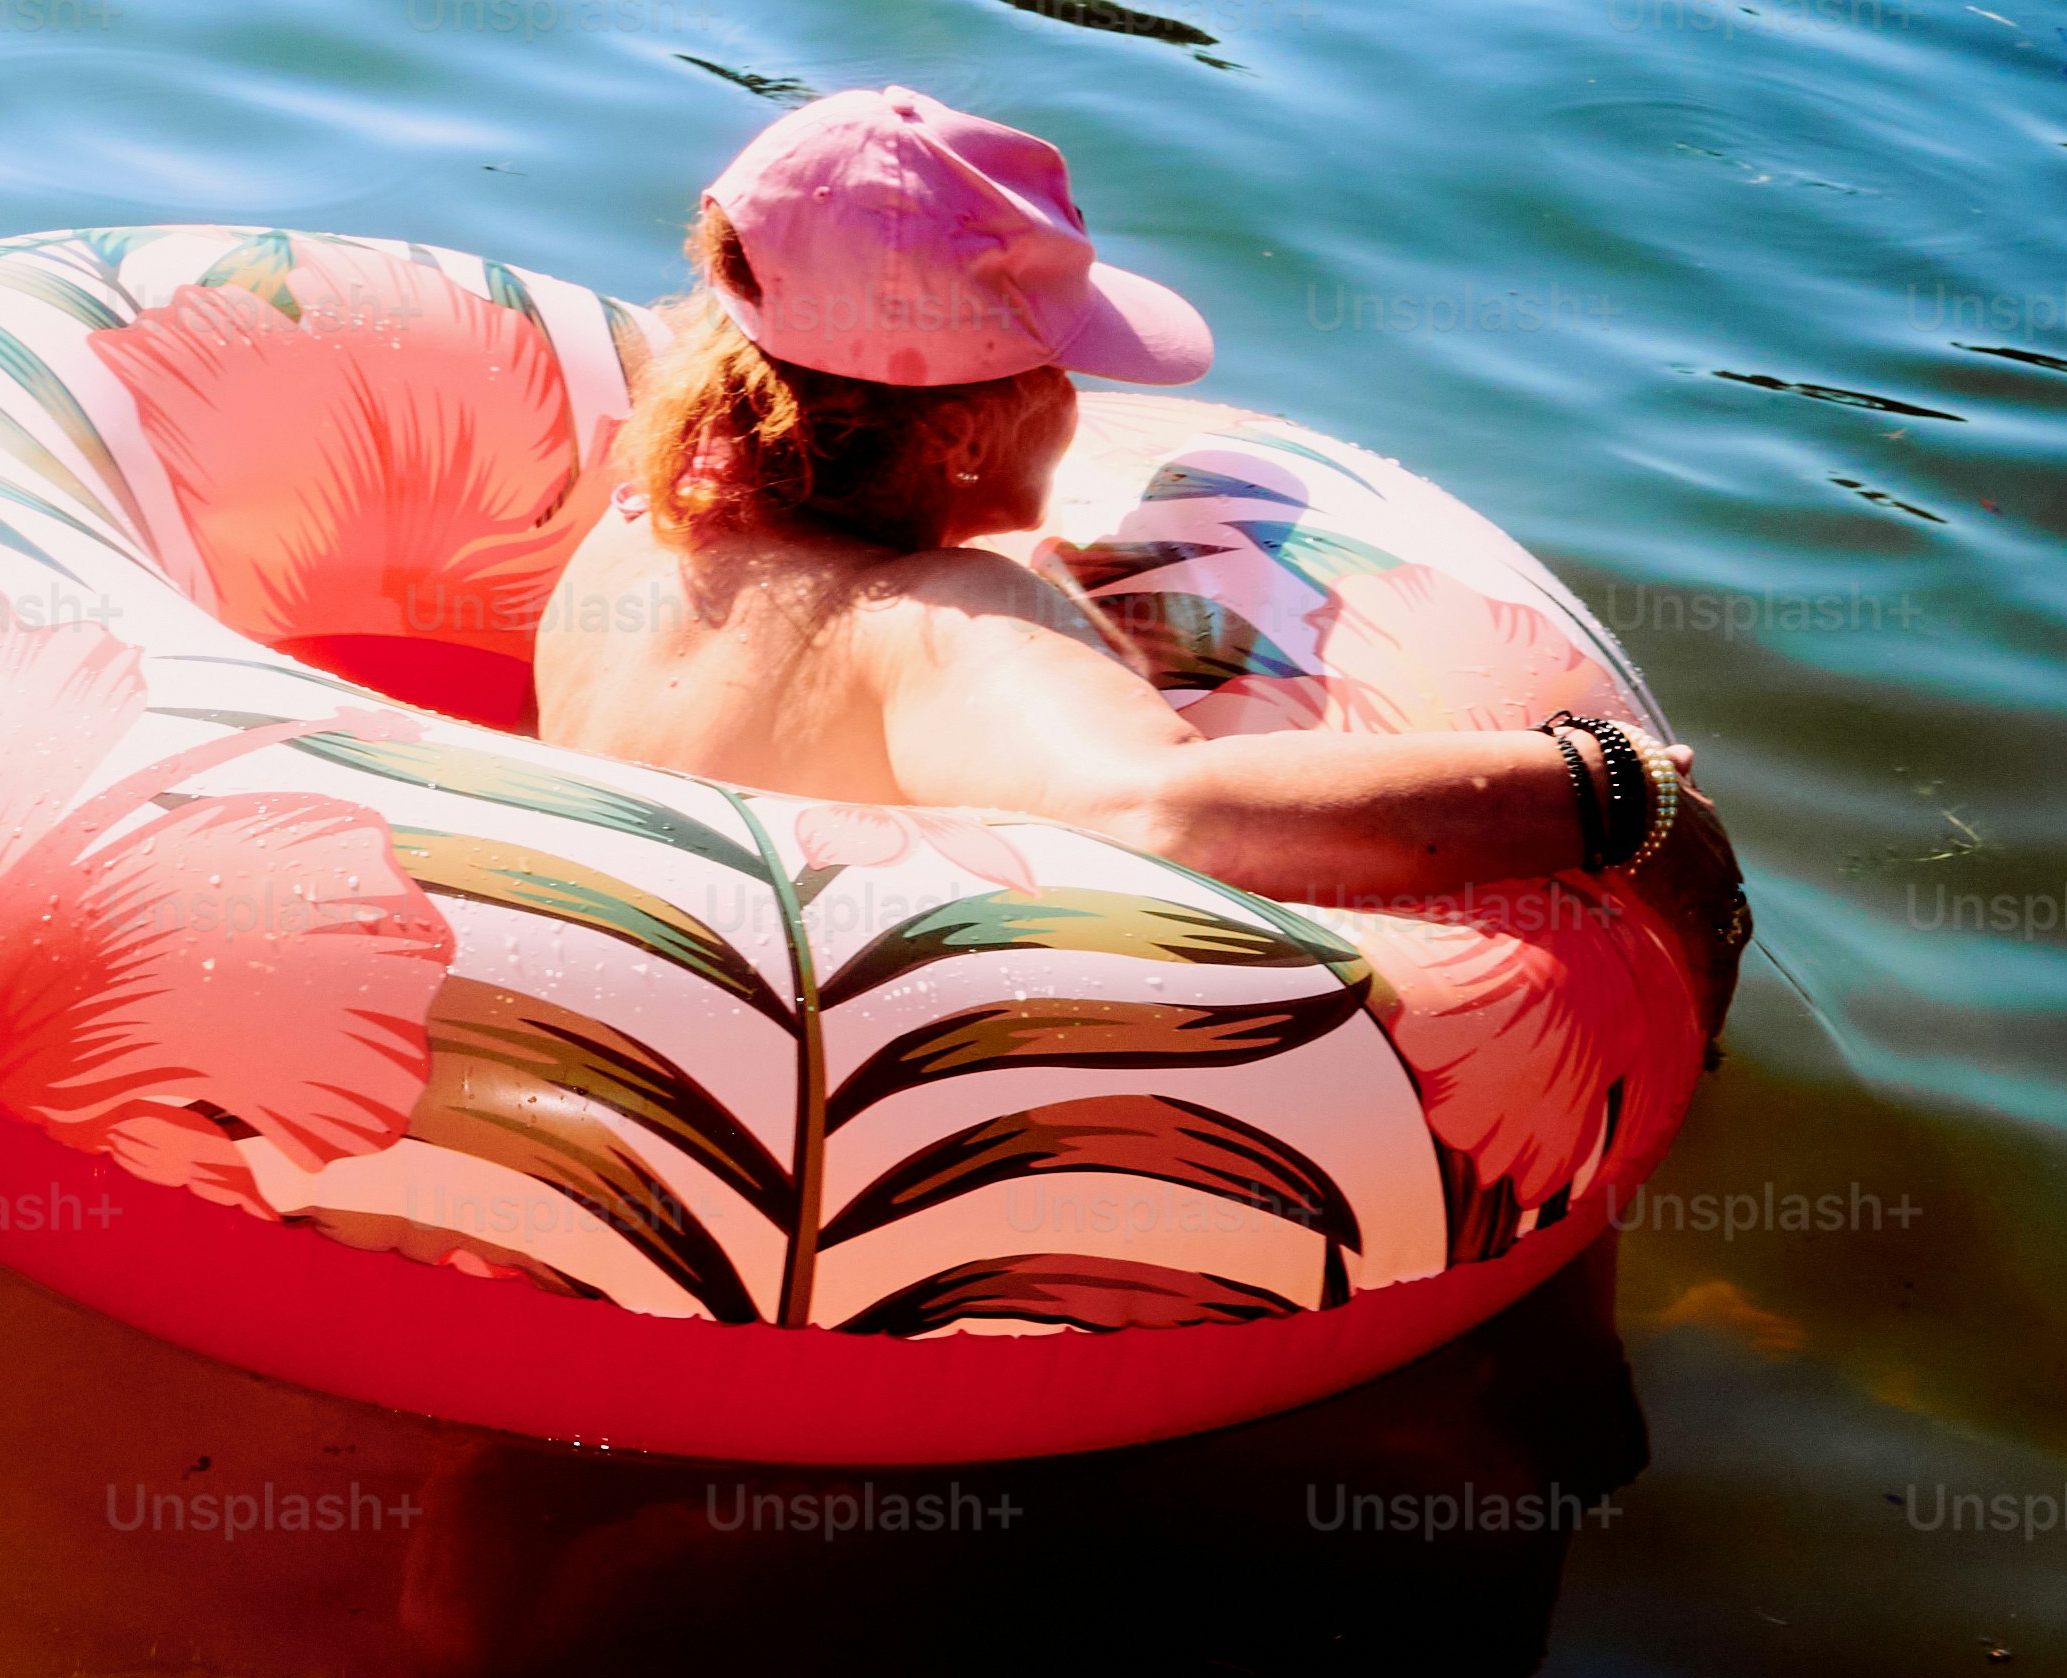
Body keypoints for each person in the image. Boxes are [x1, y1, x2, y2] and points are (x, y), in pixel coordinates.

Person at [531, 87, 1749, 1019]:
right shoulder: (933, 620)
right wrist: (1613, 787)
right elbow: (1163, 813)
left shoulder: (646, 526)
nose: (1080, 397)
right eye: (1062, 368)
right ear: (959, 426)